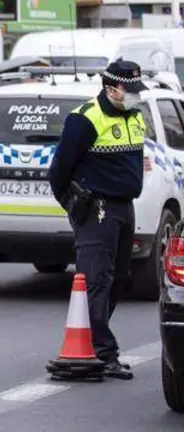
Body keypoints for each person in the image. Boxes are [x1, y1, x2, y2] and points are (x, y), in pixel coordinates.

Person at [48, 58, 147, 381]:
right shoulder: (86, 119)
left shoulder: (134, 116)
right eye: (128, 89)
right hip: (98, 208)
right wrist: (75, 207)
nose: (134, 95)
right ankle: (104, 353)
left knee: (118, 278)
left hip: (124, 207)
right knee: (97, 281)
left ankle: (93, 342)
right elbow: (59, 170)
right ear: (110, 88)